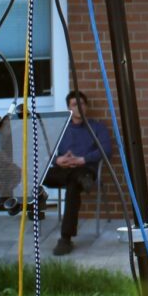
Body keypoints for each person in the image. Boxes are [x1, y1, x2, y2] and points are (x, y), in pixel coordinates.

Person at [42, 89, 113, 255]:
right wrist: (57, 160)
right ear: (69, 108)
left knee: (73, 185)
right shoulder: (62, 128)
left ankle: (65, 239)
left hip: (86, 167)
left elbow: (106, 151)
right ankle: (81, 178)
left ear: (86, 107)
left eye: (81, 103)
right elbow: (45, 150)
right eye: (75, 104)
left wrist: (82, 159)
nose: (79, 107)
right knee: (39, 174)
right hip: (63, 170)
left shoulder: (97, 127)